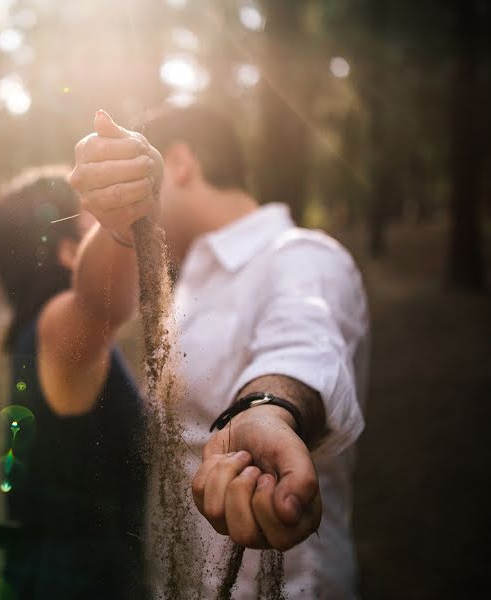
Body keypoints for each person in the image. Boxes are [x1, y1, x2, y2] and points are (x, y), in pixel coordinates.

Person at [68, 107, 369, 599]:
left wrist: (268, 409)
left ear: (180, 162)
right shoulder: (190, 283)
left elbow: (302, 341)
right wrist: (119, 221)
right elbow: (91, 303)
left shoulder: (300, 256)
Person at [0, 166, 147, 599]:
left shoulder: (40, 333)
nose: (100, 220)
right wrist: (122, 220)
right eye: (89, 215)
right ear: (67, 252)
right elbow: (103, 300)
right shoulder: (59, 329)